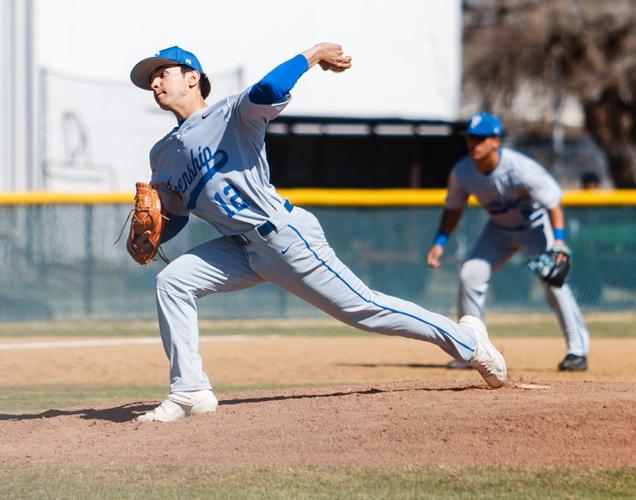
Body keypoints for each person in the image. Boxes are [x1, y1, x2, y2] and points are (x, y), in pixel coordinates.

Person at [128, 44, 507, 423]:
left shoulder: (232, 113)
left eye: (163, 73)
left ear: (193, 77)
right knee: (173, 281)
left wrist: (313, 54)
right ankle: (191, 390)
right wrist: (155, 234)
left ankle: (468, 341)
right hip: (239, 249)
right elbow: (174, 215)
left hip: (284, 236)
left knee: (365, 308)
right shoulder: (161, 155)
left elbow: (268, 91)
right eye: (151, 79)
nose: (155, 82)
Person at [426, 112, 590, 373]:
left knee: (553, 280)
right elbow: (453, 209)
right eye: (470, 138)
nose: (473, 144)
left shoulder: (520, 168)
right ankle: (472, 348)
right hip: (498, 230)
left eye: (479, 138)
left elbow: (552, 204)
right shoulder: (463, 172)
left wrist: (558, 243)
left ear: (495, 140)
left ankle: (577, 351)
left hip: (535, 227)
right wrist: (440, 242)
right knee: (470, 275)